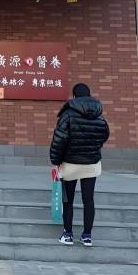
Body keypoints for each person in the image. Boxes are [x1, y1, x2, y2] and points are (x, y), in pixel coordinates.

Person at [49, 82, 109, 247]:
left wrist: (55, 160)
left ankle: (68, 234)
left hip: (70, 163)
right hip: (92, 163)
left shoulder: (68, 114)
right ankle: (87, 236)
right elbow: (104, 135)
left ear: (74, 96)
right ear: (89, 95)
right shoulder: (99, 115)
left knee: (68, 200)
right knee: (88, 200)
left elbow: (59, 140)